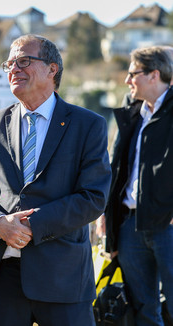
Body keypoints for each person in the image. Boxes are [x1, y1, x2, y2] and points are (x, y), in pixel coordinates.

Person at [0, 34, 111, 326]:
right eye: (10, 64)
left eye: (24, 61)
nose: (14, 69)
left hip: (62, 276)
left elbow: (93, 197)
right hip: (1, 275)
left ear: (52, 69)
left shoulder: (88, 125)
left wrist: (32, 225)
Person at [103, 46, 173, 326]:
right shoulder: (132, 111)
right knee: (143, 310)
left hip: (167, 227)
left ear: (154, 75)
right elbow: (116, 164)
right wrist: (107, 215)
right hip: (130, 225)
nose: (127, 80)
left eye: (133, 73)